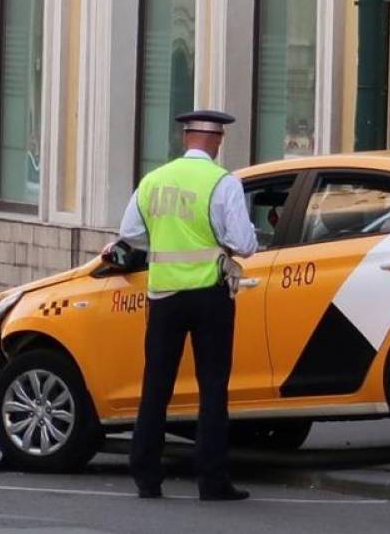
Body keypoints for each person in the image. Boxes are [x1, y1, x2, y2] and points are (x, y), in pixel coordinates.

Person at [116, 109, 257, 501]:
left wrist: (162, 241)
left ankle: (146, 477)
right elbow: (244, 243)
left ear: (185, 138)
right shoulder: (223, 182)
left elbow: (129, 232)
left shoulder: (154, 180)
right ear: (217, 141)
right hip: (210, 295)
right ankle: (212, 481)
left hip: (164, 296)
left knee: (156, 386)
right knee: (212, 389)